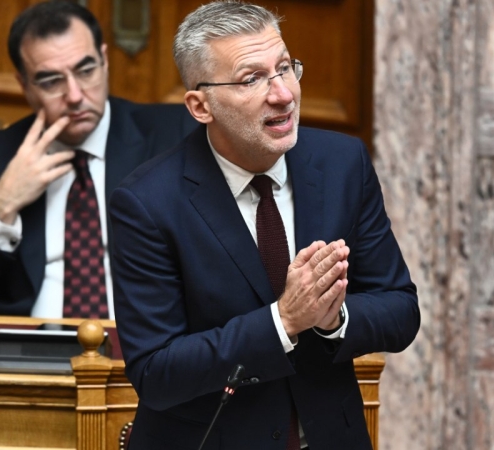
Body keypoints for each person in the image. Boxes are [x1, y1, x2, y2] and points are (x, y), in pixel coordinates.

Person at [109, 1, 421, 449]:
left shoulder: (342, 164)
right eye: (251, 79)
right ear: (200, 105)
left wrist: (334, 319)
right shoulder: (147, 203)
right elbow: (157, 372)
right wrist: (283, 320)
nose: (283, 94)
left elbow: (400, 309)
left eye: (285, 68)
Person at [0, 1, 197, 318]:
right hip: (26, 344)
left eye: (85, 70)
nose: (75, 95)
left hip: (146, 341)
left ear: (104, 61)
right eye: (51, 81)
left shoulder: (176, 137)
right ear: (24, 85)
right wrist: (3, 204)